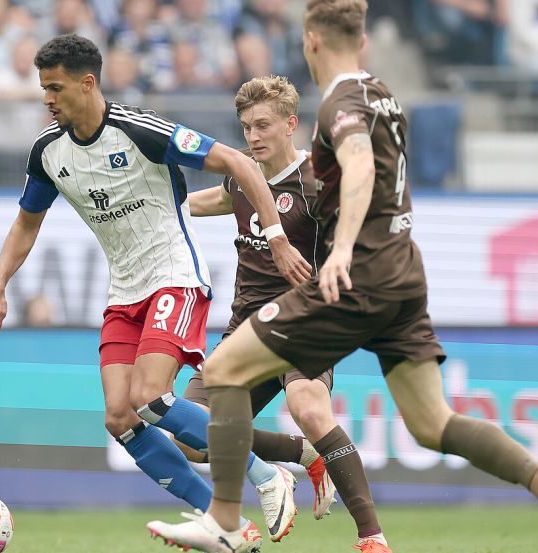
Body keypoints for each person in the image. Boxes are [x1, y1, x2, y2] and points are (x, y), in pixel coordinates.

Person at [146, 2, 538, 553]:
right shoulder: (382, 93)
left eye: (263, 125)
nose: (255, 135)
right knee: (433, 422)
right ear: (362, 41)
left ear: (312, 42)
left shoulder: (341, 102)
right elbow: (225, 197)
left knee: (225, 371)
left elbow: (358, 165)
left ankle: (228, 519)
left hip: (356, 276)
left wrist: (340, 251)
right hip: (402, 273)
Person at [0, 34, 312, 550]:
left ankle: (267, 476)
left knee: (151, 397)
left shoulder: (141, 130)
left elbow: (241, 164)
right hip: (123, 292)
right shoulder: (48, 151)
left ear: (87, 84)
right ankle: (223, 524)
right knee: (119, 416)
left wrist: (278, 237)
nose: (47, 98)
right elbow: (26, 222)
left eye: (55, 88)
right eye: (43, 88)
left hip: (175, 277)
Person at [176, 74, 392, 551]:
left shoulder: (317, 179)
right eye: (246, 127)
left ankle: (372, 537)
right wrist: (150, 207)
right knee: (189, 436)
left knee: (308, 407)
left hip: (303, 320)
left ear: (290, 124)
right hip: (245, 327)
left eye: (263, 125)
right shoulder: (239, 174)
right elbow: (213, 200)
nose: (253, 136)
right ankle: (301, 456)